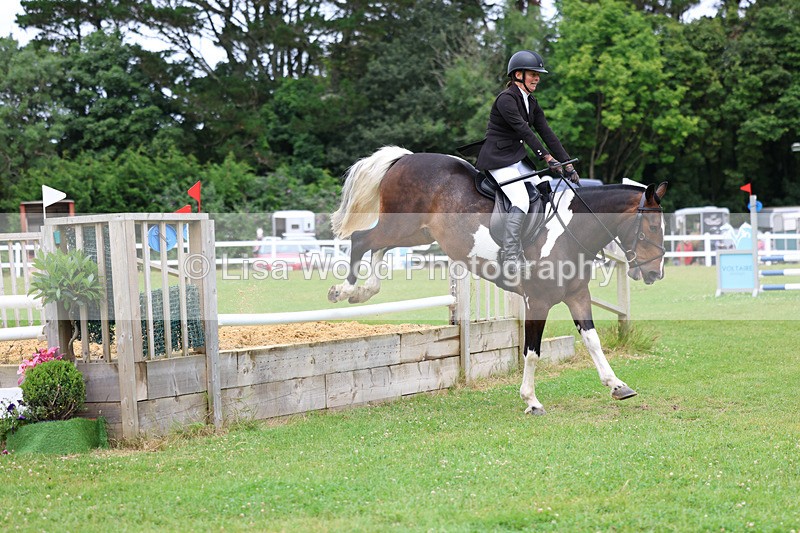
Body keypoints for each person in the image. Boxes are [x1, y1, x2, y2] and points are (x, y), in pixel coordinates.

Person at [476, 50, 579, 275]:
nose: (537, 78)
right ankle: (511, 254)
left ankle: (533, 244)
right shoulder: (506, 99)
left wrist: (567, 163)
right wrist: (547, 158)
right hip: (498, 160)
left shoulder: (531, 101)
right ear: (518, 74)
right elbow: (525, 131)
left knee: (543, 187)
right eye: (533, 74)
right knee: (521, 200)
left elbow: (546, 132)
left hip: (515, 158)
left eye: (538, 74)